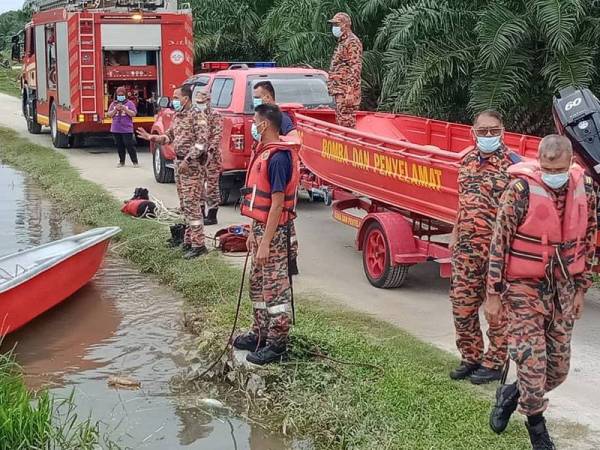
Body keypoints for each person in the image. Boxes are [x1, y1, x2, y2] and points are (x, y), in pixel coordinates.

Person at [487, 135, 596, 449]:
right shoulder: (519, 191)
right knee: (531, 364)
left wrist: (580, 291)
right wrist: (493, 294)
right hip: (523, 289)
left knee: (557, 370)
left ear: (571, 163)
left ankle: (512, 393)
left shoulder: (585, 189)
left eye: (559, 168)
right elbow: (499, 244)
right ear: (538, 163)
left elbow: (588, 243)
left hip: (563, 289)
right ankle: (538, 431)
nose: (554, 175)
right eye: (548, 169)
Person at [448, 110, 521, 385]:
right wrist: (455, 233)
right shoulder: (466, 162)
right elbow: (463, 203)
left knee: (496, 310)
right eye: (483, 131)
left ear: (503, 130)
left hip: (497, 252)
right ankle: (471, 356)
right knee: (461, 306)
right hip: (466, 249)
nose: (488, 135)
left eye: (494, 130)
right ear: (473, 131)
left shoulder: (514, 166)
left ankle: (494, 361)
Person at [234, 103, 300, 365]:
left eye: (254, 121)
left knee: (275, 290)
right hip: (261, 230)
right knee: (258, 285)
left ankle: (277, 344)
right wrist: (253, 233)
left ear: (264, 125)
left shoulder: (279, 158)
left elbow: (276, 204)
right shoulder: (263, 153)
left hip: (275, 233)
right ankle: (259, 333)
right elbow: (256, 205)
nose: (252, 125)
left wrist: (266, 243)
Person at [136, 85, 215, 259]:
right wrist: (154, 138)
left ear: (186, 98)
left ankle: (199, 244)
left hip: (192, 166)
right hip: (179, 163)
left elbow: (202, 143)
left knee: (193, 205)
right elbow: (170, 136)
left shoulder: (197, 116)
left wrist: (189, 160)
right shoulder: (178, 116)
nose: (174, 100)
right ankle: (188, 241)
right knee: (184, 205)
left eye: (176, 97)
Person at [327, 12, 362, 128]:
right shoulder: (343, 42)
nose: (334, 28)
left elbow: (355, 67)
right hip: (340, 89)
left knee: (346, 122)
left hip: (346, 90)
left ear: (346, 25)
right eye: (333, 25)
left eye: (337, 24)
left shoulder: (352, 42)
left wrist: (350, 92)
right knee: (341, 121)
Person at [193, 90, 223, 226]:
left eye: (202, 102)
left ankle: (212, 215)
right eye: (198, 102)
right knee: (198, 185)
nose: (200, 105)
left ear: (208, 101)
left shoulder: (215, 115)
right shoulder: (194, 115)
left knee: (211, 186)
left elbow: (217, 135)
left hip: (212, 157)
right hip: (198, 156)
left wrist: (210, 151)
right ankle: (201, 212)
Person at [107, 86, 138, 167]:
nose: (120, 96)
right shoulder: (113, 104)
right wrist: (115, 109)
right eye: (119, 95)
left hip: (127, 129)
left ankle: (135, 162)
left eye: (122, 94)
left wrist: (125, 109)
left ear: (125, 95)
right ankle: (122, 162)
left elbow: (133, 114)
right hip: (116, 129)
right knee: (119, 146)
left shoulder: (130, 103)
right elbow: (109, 115)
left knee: (129, 145)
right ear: (116, 95)